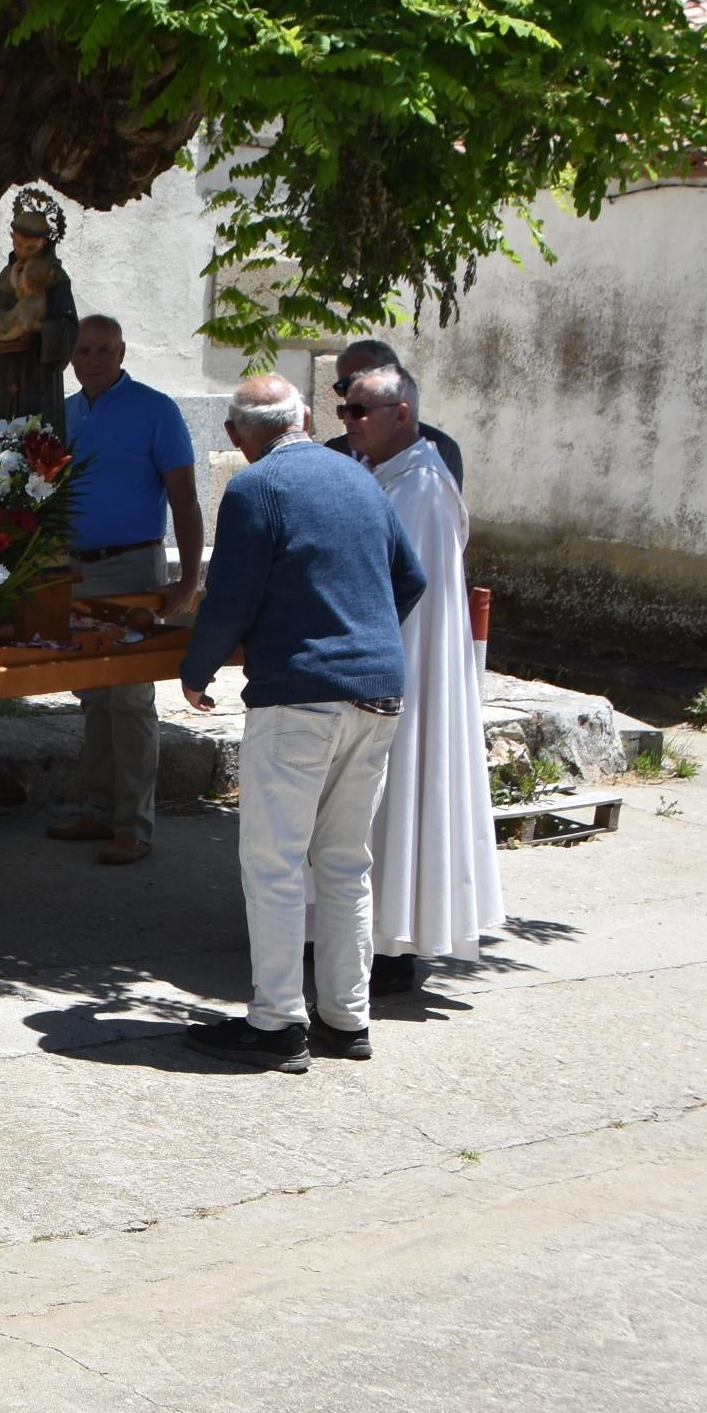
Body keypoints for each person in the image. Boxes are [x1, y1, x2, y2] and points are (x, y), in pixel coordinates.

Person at [178, 375, 427, 1074]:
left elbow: (229, 594)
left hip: (300, 695)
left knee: (275, 861)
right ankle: (346, 1019)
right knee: (345, 862)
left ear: (234, 437)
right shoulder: (358, 479)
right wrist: (360, 634)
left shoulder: (256, 490)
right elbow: (410, 578)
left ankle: (278, 1022)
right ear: (310, 419)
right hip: (378, 690)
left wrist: (198, 668)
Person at [337, 361, 504, 998]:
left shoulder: (425, 489)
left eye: (359, 412)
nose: (347, 423)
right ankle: (360, 936)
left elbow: (413, 596)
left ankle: (394, 943)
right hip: (378, 662)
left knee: (402, 793)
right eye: (344, 410)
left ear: (400, 414)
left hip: (407, 669)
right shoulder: (382, 474)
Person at [45, 314, 206, 866]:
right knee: (92, 694)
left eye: (104, 349)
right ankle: (98, 810)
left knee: (131, 698)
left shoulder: (155, 409)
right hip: (74, 570)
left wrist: (187, 580)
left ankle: (134, 827)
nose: (94, 358)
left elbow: (185, 499)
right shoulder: (62, 414)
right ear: (72, 356)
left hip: (134, 568)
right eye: (84, 349)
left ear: (121, 352)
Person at [0, 187, 80, 432]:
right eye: (18, 245)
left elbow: (68, 328)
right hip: (5, 370)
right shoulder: (9, 273)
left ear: (44, 243)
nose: (21, 252)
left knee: (35, 433)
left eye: (30, 248)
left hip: (38, 373)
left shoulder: (54, 278)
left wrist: (38, 329)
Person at [322, 337, 465, 489]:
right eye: (343, 386)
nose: (353, 390)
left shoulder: (441, 449)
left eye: (364, 379)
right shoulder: (334, 450)